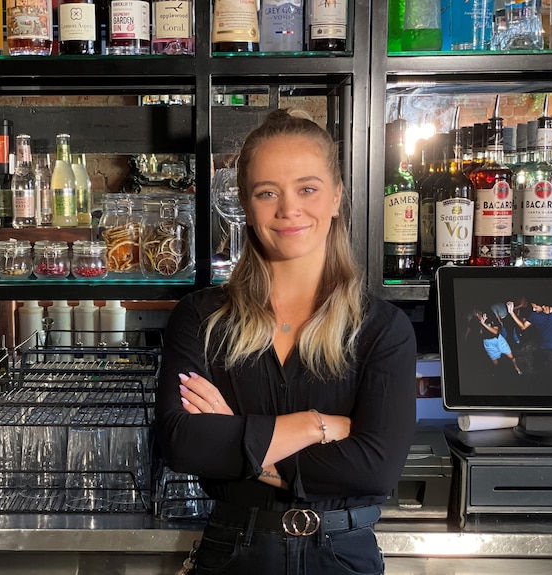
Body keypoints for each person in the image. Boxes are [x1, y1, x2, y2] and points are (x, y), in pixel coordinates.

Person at [155, 109, 417, 575]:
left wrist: (238, 439)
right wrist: (318, 425)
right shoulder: (201, 317)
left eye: (307, 189)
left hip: (343, 556)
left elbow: (376, 468)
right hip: (233, 551)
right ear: (245, 204)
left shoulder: (382, 328)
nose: (288, 209)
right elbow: (182, 443)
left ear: (337, 197)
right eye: (267, 192)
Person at [466, 309, 522, 375]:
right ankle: (498, 374)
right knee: (495, 362)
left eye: (477, 314)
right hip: (488, 343)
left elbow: (495, 332)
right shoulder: (474, 321)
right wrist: (465, 336)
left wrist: (484, 324)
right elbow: (469, 328)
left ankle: (516, 368)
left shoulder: (490, 316)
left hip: (498, 340)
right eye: (475, 316)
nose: (477, 316)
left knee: (511, 357)